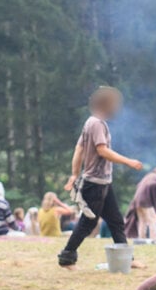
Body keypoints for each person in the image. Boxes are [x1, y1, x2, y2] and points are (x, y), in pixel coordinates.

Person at [58, 86, 144, 269]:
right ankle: (66, 258)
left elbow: (79, 149)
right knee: (88, 222)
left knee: (115, 221)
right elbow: (102, 150)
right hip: (95, 183)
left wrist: (74, 174)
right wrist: (128, 162)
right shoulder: (97, 124)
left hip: (103, 182)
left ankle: (126, 258)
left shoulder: (90, 122)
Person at [124, 164, 156, 241]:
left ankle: (142, 239)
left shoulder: (149, 176)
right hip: (146, 202)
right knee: (153, 221)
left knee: (142, 221)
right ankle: (153, 239)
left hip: (137, 202)